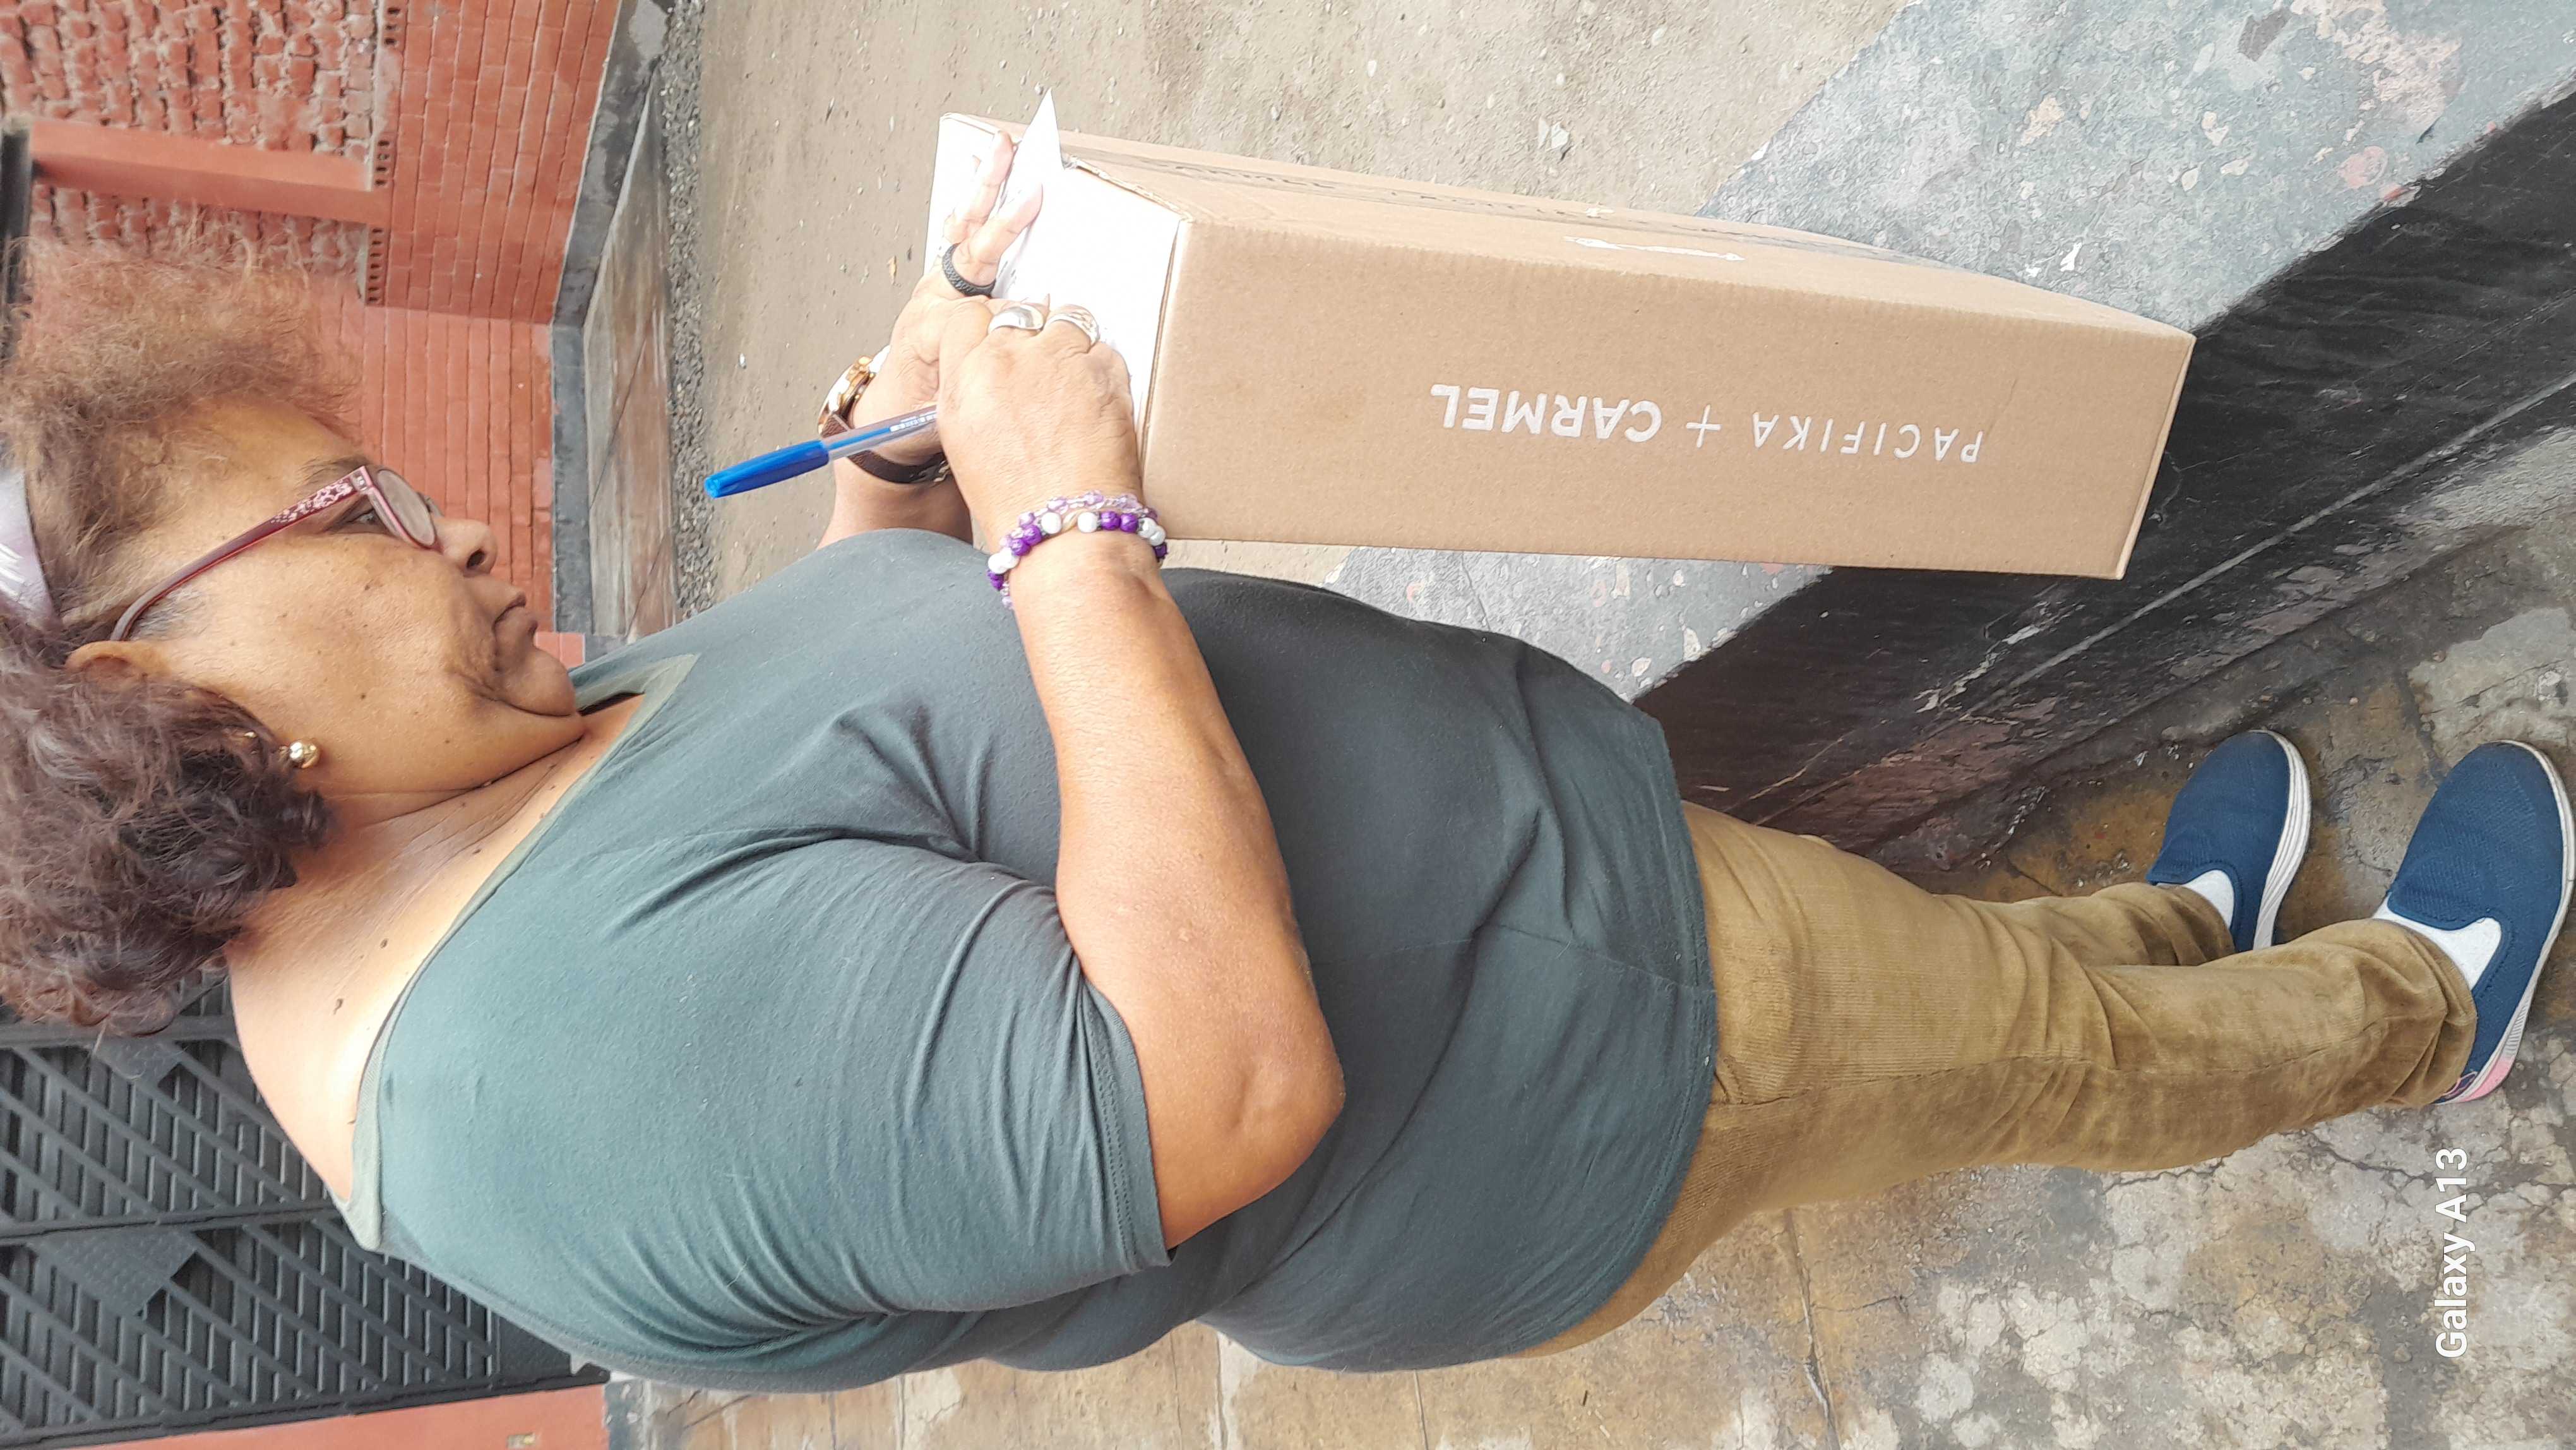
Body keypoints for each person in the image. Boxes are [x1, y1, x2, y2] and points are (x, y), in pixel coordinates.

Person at [0, 141, 2564, 1390]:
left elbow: (833, 771)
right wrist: (1065, 532)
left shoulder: (440, 793)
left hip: (1557, 915)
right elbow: (1208, 1084)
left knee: (1999, 987)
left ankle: (2173, 929)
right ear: (144, 686)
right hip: (1590, 1063)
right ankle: (2407, 1016)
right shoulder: (571, 1088)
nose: (453, 524)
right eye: (354, 508)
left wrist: (903, 486)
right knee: (2033, 1061)